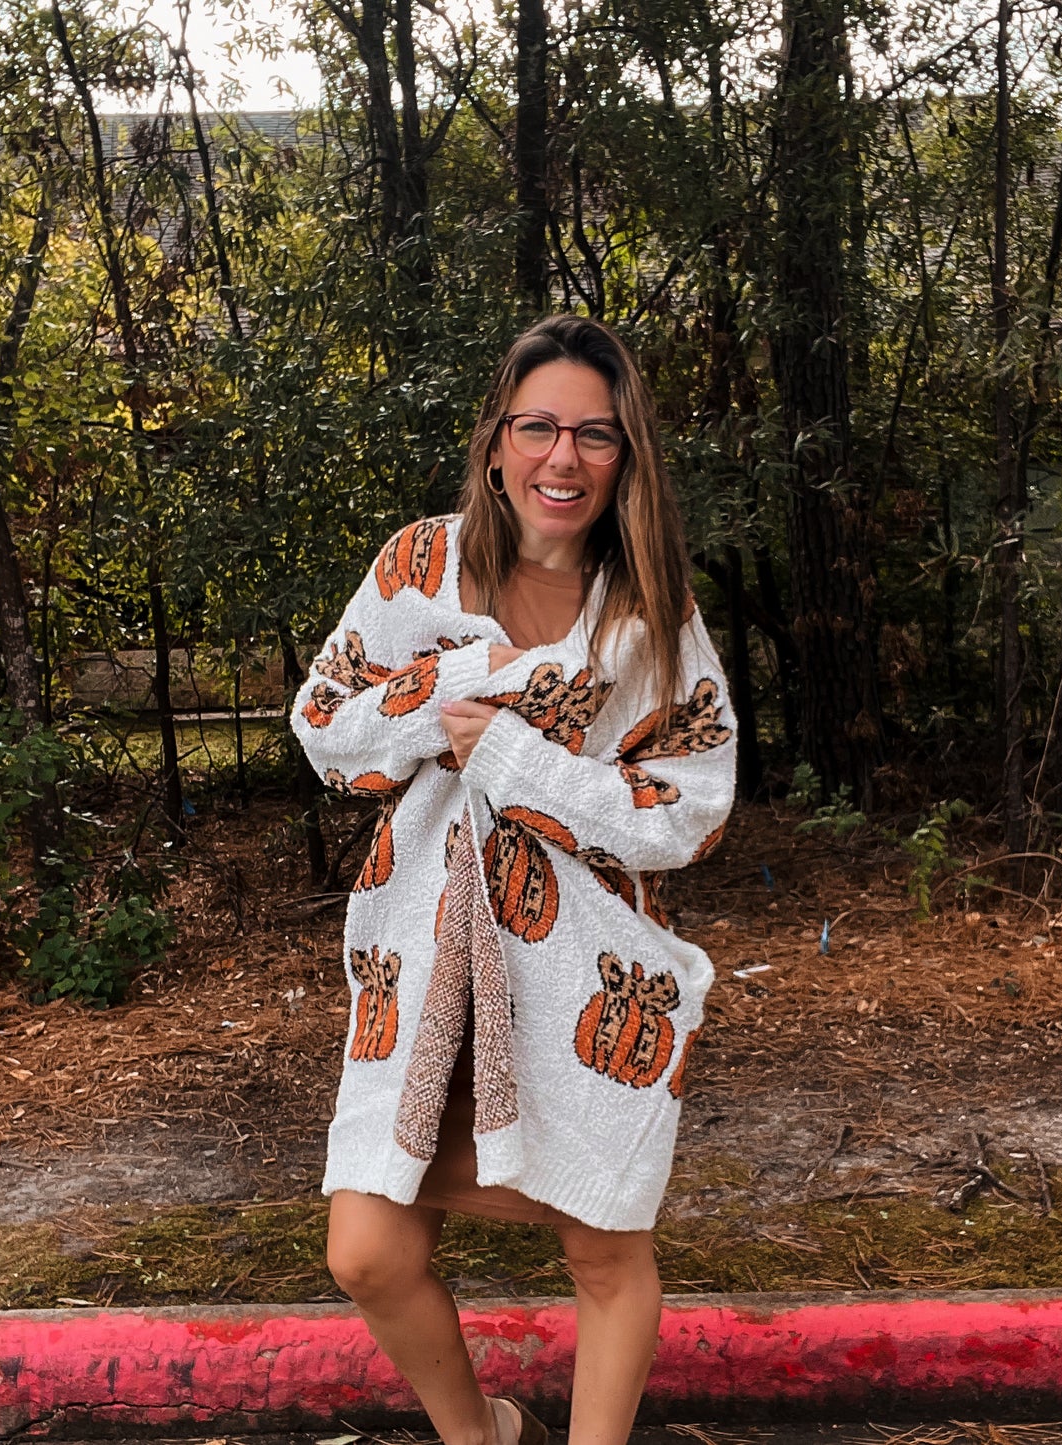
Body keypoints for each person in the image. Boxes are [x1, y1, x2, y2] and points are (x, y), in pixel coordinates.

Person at [290, 315, 737, 1445]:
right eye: (536, 425)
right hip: (424, 945)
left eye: (594, 433)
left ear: (624, 456)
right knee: (368, 1249)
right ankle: (481, 1431)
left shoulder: (651, 612)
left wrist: (510, 755)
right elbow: (322, 726)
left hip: (585, 971)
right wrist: (445, 694)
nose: (562, 456)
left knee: (602, 1246)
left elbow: (689, 807)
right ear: (496, 442)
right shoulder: (417, 566)